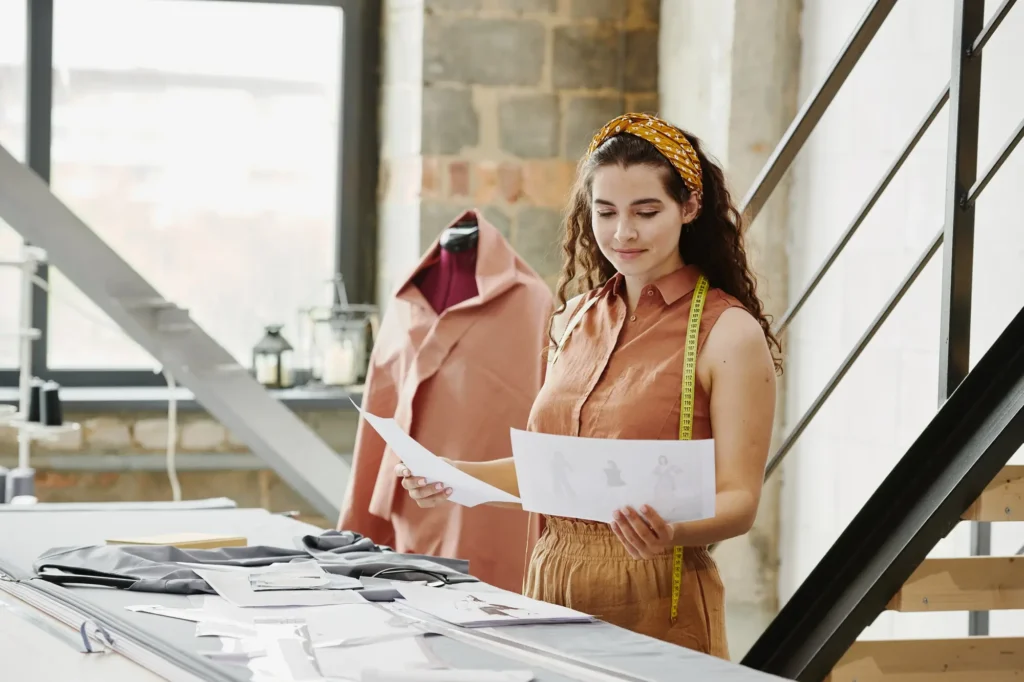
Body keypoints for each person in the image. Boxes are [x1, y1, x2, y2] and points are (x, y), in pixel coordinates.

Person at [395, 113, 780, 659]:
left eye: (646, 212)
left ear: (689, 207)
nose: (623, 233)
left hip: (654, 591)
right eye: (606, 212)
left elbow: (740, 500)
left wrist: (669, 534)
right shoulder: (573, 319)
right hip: (551, 582)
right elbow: (557, 475)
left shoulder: (728, 333)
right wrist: (451, 475)